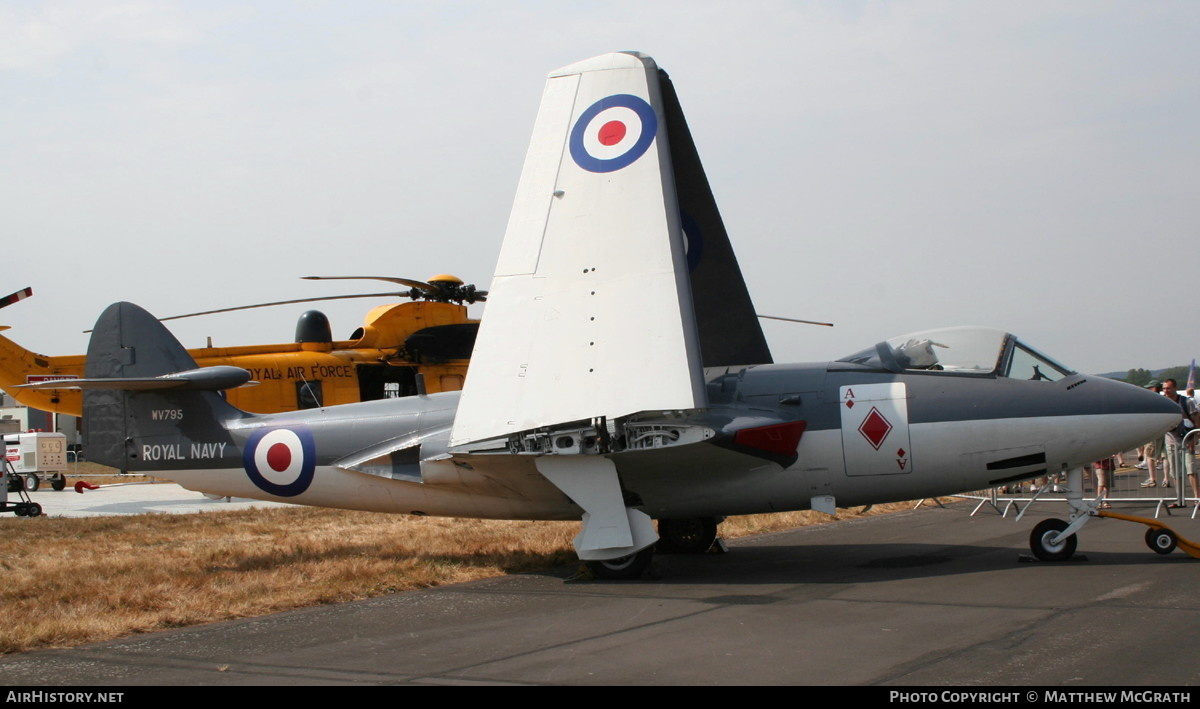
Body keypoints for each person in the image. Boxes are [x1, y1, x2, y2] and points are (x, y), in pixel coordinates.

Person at [1161, 379, 1199, 508]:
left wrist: (1194, 439)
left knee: (1191, 470)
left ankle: (1197, 498)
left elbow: (1196, 421)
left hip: (1187, 440)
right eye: (1164, 388)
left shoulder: (1187, 402)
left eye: (1168, 388)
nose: (1166, 391)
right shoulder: (1163, 403)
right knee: (1175, 472)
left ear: (1175, 388)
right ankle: (1180, 499)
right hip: (1171, 440)